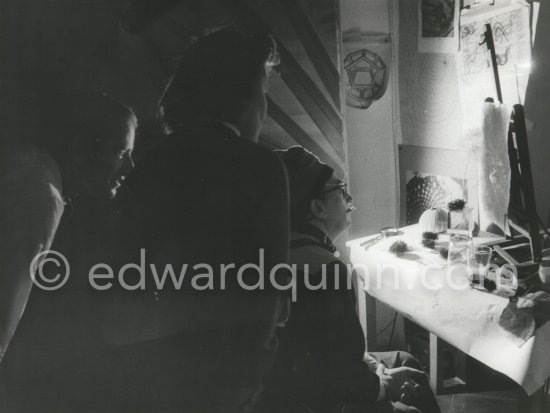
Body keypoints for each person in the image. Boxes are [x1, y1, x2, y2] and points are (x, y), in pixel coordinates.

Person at [35, 29, 290, 412]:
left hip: (141, 378)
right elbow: (268, 293)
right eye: (263, 93)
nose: (264, 109)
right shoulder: (261, 166)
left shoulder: (148, 165)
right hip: (219, 384)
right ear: (243, 94)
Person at [262, 146, 440, 413]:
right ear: (317, 207)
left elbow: (334, 352)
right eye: (340, 190)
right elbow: (339, 374)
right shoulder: (324, 269)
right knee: (412, 390)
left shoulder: (272, 250)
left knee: (404, 360)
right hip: (315, 402)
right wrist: (383, 387)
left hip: (286, 389)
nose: (349, 198)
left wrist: (376, 370)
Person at [0, 92, 136, 408]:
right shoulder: (42, 198)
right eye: (121, 151)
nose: (130, 166)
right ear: (81, 148)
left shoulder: (23, 162)